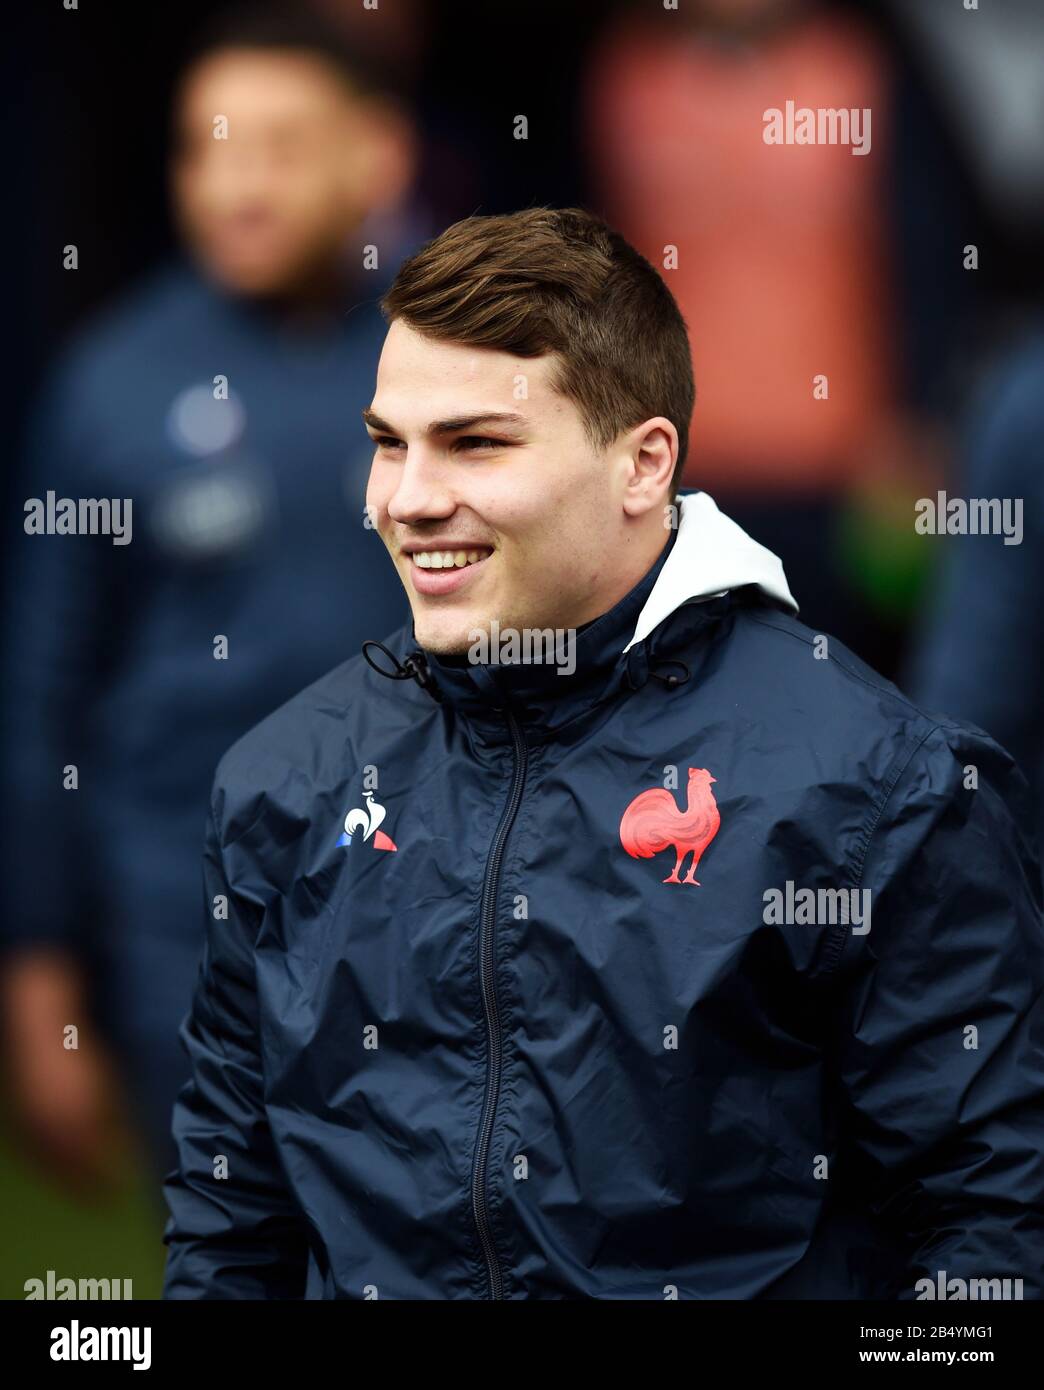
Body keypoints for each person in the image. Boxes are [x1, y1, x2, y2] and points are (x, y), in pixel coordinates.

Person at [162, 207, 1044, 1300]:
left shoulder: (878, 785)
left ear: (643, 466)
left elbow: (988, 1226)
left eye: (476, 442)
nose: (407, 499)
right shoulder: (282, 777)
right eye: (391, 442)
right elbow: (228, 1218)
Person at [0, 5, 418, 1191]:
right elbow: (42, 699)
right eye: (206, 147)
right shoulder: (108, 386)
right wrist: (35, 977)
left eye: (280, 147)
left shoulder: (458, 355)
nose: (237, 185)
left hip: (437, 926)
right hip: (187, 944)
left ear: (374, 157)